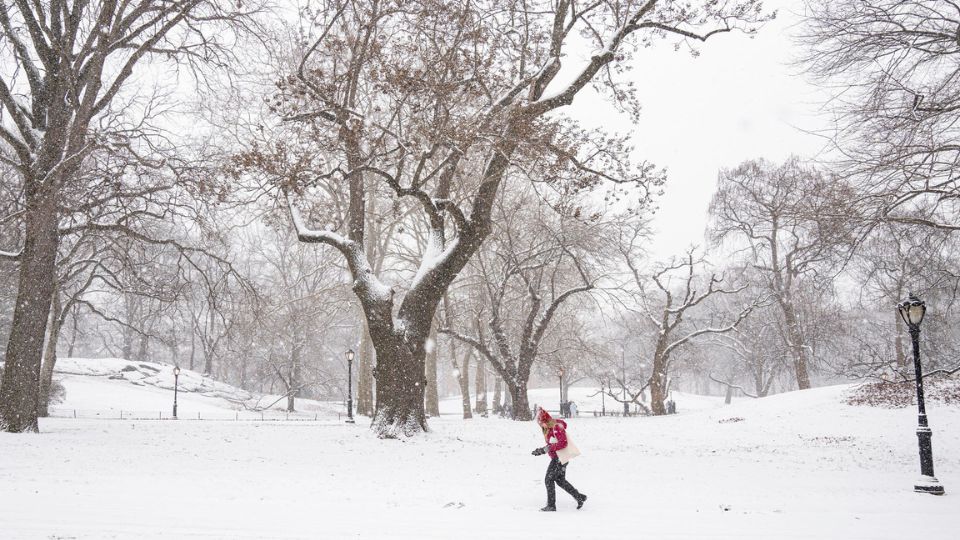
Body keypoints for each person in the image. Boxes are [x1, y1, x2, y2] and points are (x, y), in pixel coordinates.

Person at [531, 407, 586, 511]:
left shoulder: (556, 427)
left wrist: (547, 448)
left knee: (548, 480)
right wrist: (542, 450)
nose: (539, 424)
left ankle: (551, 505)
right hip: (559, 458)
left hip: (559, 458)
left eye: (540, 421)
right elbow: (552, 443)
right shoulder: (548, 428)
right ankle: (579, 497)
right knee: (560, 480)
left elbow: (563, 443)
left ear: (545, 420)